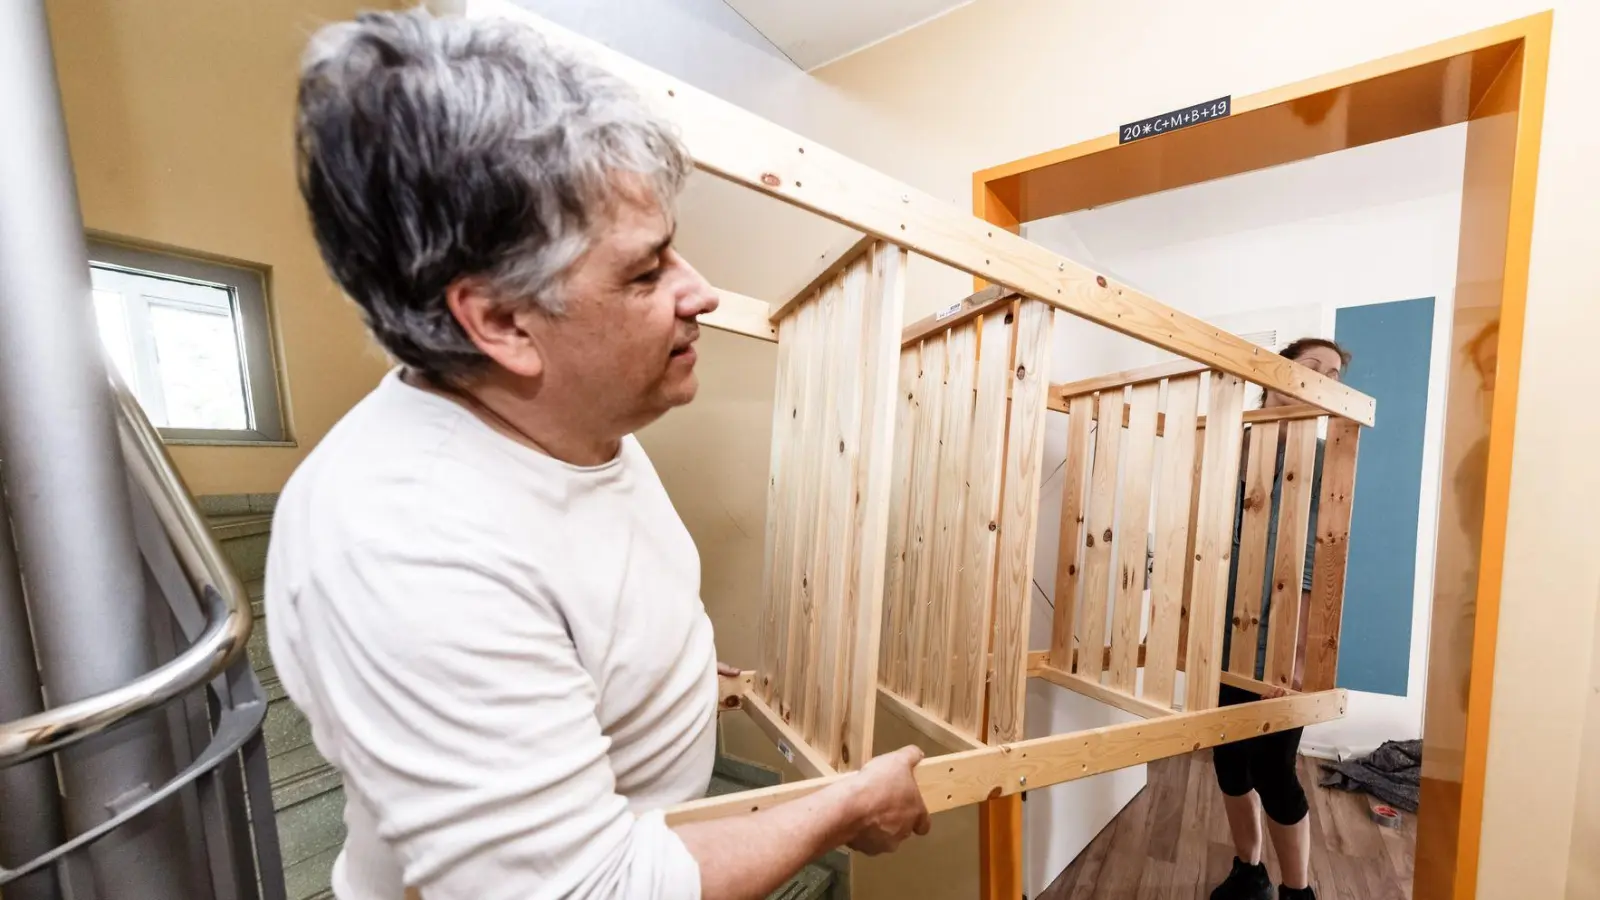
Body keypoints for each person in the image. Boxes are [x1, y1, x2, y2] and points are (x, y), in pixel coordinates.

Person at [265, 10, 930, 900]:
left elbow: (591, 605)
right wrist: (840, 811)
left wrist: (683, 677)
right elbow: (593, 890)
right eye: (645, 272)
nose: (700, 291)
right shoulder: (407, 549)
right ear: (501, 323)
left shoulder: (573, 419)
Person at [1208, 337, 1350, 900]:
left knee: (1274, 771)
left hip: (1278, 647)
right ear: (1275, 375)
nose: (1322, 379)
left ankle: (1298, 891)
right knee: (1228, 763)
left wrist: (1295, 655)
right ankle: (1250, 872)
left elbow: (1318, 558)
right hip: (1219, 641)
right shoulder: (1233, 446)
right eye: (1311, 367)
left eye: (1333, 374)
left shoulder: (1320, 459)